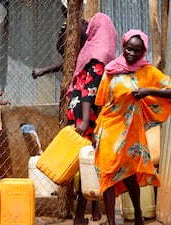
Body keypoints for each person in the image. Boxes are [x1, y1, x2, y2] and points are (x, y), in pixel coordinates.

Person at [93, 29, 171, 225]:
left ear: (143, 51)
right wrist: (96, 131)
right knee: (107, 174)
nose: (131, 54)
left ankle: (138, 216)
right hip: (108, 130)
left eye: (137, 50)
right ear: (123, 46)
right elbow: (101, 102)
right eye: (128, 49)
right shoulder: (111, 70)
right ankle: (111, 222)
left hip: (132, 133)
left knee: (129, 176)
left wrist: (148, 91)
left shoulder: (148, 71)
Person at [67, 12, 117, 225]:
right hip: (87, 116)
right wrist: (87, 121)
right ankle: (80, 216)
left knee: (87, 162)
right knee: (89, 163)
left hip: (76, 112)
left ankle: (94, 211)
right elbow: (90, 90)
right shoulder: (101, 54)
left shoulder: (89, 50)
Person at [31, 3, 88, 79]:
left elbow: (72, 61)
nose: (61, 7)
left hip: (78, 76)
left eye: (63, 5)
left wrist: (44, 70)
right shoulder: (82, 25)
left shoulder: (74, 29)